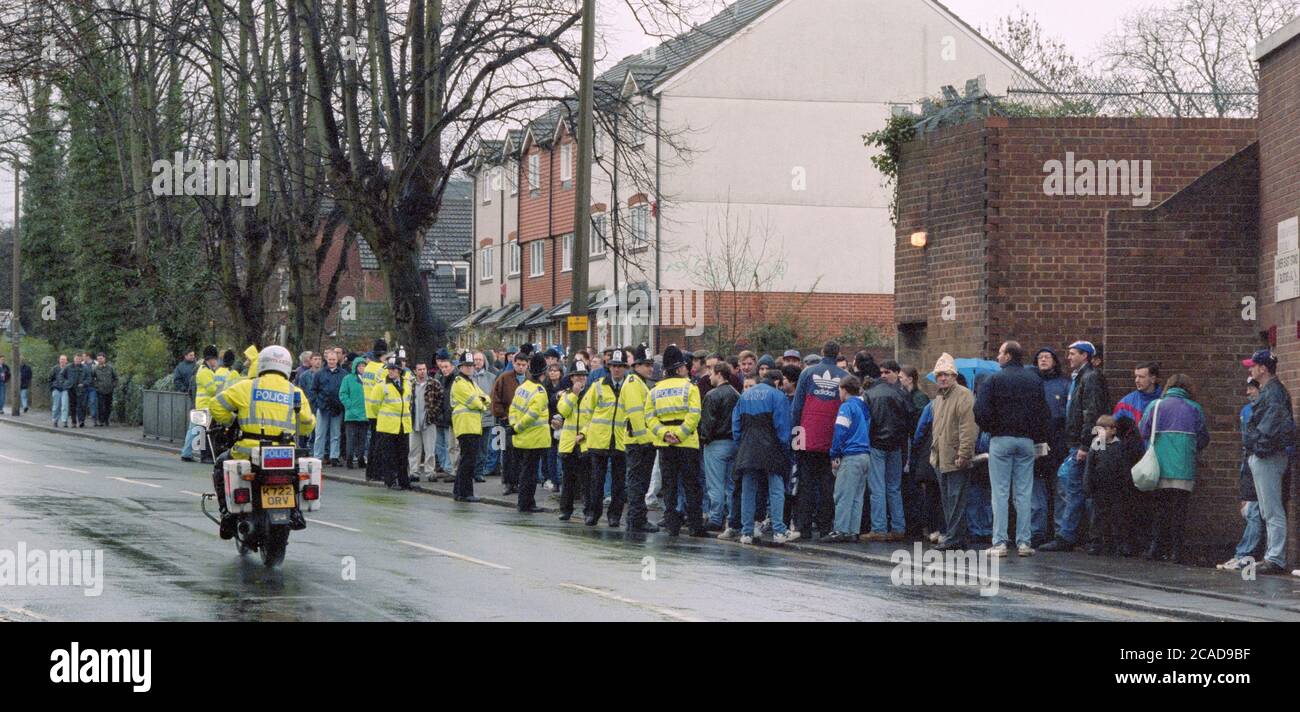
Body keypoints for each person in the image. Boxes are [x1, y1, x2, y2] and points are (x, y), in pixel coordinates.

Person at [209, 346, 316, 538]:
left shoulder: (246, 387)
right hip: (285, 454)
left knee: (220, 465)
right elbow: (307, 423)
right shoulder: (295, 392)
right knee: (295, 477)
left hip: (249, 450)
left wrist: (230, 421)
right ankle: (295, 511)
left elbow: (215, 405)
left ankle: (228, 516)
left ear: (262, 364)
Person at [974, 341, 1050, 558]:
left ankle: (1000, 542)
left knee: (1000, 492)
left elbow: (979, 410)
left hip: (1001, 440)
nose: (998, 357)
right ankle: (1024, 542)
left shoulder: (993, 379)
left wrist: (992, 428)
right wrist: (1035, 435)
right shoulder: (1034, 380)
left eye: (999, 353)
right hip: (1026, 441)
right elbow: (1043, 412)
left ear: (1007, 356)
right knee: (1024, 493)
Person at [1040, 341, 1110, 552]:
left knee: (1072, 486)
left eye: (1073, 354)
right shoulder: (1080, 378)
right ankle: (1085, 537)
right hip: (1079, 443)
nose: (1068, 357)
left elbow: (1091, 413)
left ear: (1085, 356)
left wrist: (1084, 445)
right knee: (1078, 488)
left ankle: (1069, 536)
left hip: (1082, 445)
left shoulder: (1089, 378)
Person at [1138, 374, 1209, 563]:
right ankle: (1177, 552)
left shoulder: (1155, 405)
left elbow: (1143, 430)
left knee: (1160, 510)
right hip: (1184, 468)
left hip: (1159, 466)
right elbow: (1203, 438)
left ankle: (1156, 548)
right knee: (1179, 511)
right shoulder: (1195, 408)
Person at [790, 341, 849, 541]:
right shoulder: (844, 377)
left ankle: (803, 527)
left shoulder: (807, 374)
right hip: (831, 440)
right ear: (838, 354)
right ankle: (825, 528)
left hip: (807, 438)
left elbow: (797, 407)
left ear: (822, 352)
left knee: (805, 485)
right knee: (827, 486)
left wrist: (795, 436)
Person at [1241, 350, 1294, 575]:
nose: (1250, 369)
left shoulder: (1273, 394)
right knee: (1267, 509)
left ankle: (1275, 558)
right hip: (1267, 455)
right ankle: (1272, 556)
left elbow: (1269, 427)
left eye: (1253, 366)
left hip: (1268, 457)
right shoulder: (1272, 391)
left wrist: (1255, 446)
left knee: (1271, 509)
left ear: (1263, 368)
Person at [727, 369, 794, 544]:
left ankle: (747, 532)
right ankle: (779, 531)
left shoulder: (745, 396)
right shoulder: (778, 397)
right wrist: (785, 451)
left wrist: (741, 445)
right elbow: (782, 428)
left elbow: (735, 426)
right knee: (776, 488)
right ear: (778, 382)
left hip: (747, 447)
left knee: (748, 489)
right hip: (772, 448)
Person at [646, 346, 706, 536]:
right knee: (692, 486)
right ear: (680, 368)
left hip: (665, 445)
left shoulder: (655, 390)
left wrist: (664, 434)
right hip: (687, 443)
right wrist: (680, 434)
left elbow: (649, 417)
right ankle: (695, 526)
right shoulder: (690, 388)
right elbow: (695, 414)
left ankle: (672, 525)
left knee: (669, 486)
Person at [1109, 361, 1162, 554]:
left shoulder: (1163, 402)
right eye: (1136, 376)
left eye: (1142, 376)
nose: (1137, 380)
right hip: (1132, 463)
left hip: (1156, 460)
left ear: (1153, 378)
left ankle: (1150, 544)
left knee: (1154, 505)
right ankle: (1133, 543)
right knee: (1133, 504)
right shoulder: (1127, 402)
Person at [930, 354, 977, 550]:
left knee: (956, 499)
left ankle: (954, 537)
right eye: (939, 375)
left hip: (956, 455)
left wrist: (964, 453)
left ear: (954, 375)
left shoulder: (964, 395)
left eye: (947, 374)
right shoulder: (938, 399)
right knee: (949, 500)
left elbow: (968, 426)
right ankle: (956, 536)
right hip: (941, 456)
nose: (942, 378)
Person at [863, 359, 913, 541]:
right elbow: (909, 421)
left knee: (877, 488)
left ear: (896, 372)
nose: (883, 375)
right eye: (882, 372)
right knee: (894, 488)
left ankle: (879, 528)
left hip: (876, 444)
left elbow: (866, 421)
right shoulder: (903, 394)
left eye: (887, 372)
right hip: (896, 446)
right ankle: (898, 528)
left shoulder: (870, 394)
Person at [1219, 378, 1266, 571]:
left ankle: (1245, 554)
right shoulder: (1246, 411)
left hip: (1258, 462)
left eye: (1252, 388)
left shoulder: (1262, 410)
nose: (1248, 393)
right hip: (1248, 464)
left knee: (1254, 512)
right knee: (1250, 511)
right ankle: (1247, 553)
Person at [580, 350, 629, 527]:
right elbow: (586, 410)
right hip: (599, 440)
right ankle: (593, 513)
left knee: (618, 482)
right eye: (614, 366)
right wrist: (585, 433)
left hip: (621, 440)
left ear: (625, 368)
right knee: (596, 481)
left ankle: (614, 515)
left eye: (620, 366)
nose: (616, 370)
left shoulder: (630, 387)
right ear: (609, 367)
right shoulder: (598, 385)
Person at [1083, 415, 1144, 556]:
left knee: (1117, 516)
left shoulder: (1119, 447)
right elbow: (1089, 468)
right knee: (1098, 517)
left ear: (1113, 431)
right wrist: (1087, 485)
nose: (1100, 432)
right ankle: (1096, 543)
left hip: (1116, 488)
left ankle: (1119, 544)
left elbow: (1123, 468)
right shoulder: (1095, 446)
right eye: (1098, 429)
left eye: (1104, 428)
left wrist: (1125, 484)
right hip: (1099, 487)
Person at [825, 375, 871, 543]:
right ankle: (853, 530)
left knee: (843, 494)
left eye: (839, 390)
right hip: (865, 455)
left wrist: (834, 453)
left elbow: (840, 430)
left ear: (844, 390)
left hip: (851, 455)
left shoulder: (846, 407)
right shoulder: (864, 406)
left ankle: (841, 529)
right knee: (857, 496)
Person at [1031, 347, 1071, 547]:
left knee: (1059, 488)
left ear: (1055, 361)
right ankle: (1037, 531)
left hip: (1058, 442)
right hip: (1036, 441)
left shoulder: (1064, 385)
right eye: (1039, 357)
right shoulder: (1032, 383)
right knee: (1036, 489)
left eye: (1047, 357)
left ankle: (1059, 531)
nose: (1043, 360)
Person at [622, 350, 660, 533]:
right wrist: (645, 440)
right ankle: (637, 519)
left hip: (641, 440)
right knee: (638, 482)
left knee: (640, 482)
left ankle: (636, 518)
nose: (650, 368)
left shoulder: (639, 383)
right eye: (647, 365)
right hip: (638, 441)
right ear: (636, 366)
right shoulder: (633, 383)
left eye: (651, 364)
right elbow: (636, 414)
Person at [700, 361, 740, 532]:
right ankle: (732, 518)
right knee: (731, 484)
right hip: (733, 443)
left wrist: (704, 439)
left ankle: (716, 517)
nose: (709, 376)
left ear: (719, 374)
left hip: (715, 443)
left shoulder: (712, 395)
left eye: (711, 372)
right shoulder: (736, 394)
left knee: (715, 484)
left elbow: (708, 423)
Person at [509, 353, 550, 513]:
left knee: (524, 472)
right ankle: (527, 503)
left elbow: (513, 408)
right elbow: (532, 416)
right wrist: (518, 427)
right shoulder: (540, 391)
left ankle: (524, 502)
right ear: (543, 372)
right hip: (535, 439)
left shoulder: (522, 387)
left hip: (520, 438)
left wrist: (514, 425)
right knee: (530, 474)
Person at [450, 351, 490, 502]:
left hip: (472, 426)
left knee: (466, 459)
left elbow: (487, 397)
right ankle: (466, 493)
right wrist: (482, 403)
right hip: (465, 425)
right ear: (460, 367)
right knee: (468, 460)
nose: (469, 368)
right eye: (466, 366)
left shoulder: (470, 382)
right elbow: (476, 402)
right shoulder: (460, 383)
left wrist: (482, 401)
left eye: (471, 366)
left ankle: (459, 491)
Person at [370, 357, 414, 489]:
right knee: (389, 456)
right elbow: (374, 405)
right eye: (390, 369)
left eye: (394, 369)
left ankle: (404, 481)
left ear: (400, 370)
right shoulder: (381, 385)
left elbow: (408, 402)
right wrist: (385, 417)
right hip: (387, 426)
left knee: (403, 455)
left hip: (403, 425)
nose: (391, 371)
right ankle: (391, 481)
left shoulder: (407, 383)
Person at [555, 361, 590, 520]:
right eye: (577, 376)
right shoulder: (566, 395)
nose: (580, 379)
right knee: (568, 480)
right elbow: (563, 411)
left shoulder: (592, 394)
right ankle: (565, 510)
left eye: (583, 376)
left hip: (585, 443)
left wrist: (583, 433)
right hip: (569, 444)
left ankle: (588, 511)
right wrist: (574, 395)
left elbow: (596, 417)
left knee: (587, 481)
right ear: (571, 378)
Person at [492, 351, 529, 495]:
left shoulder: (530, 379)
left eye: (523, 365)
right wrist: (502, 415)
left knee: (521, 453)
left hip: (524, 422)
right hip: (506, 422)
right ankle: (508, 482)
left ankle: (519, 481)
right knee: (507, 453)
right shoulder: (504, 378)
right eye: (518, 364)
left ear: (527, 365)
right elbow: (495, 398)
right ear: (513, 364)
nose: (520, 367)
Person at [181, 347, 222, 462]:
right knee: (202, 431)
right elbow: (212, 389)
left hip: (201, 405)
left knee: (195, 430)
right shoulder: (205, 372)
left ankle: (187, 453)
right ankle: (203, 456)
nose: (217, 362)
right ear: (211, 359)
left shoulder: (204, 370)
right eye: (215, 359)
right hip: (204, 405)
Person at [408, 362, 444, 482]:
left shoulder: (434, 383)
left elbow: (441, 399)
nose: (422, 371)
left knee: (430, 449)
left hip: (428, 421)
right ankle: (414, 472)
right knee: (414, 449)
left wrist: (434, 413)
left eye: (424, 369)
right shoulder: (410, 384)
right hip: (413, 421)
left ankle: (430, 472)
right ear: (415, 371)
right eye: (419, 369)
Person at [310, 350, 345, 465]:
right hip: (323, 407)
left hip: (337, 408)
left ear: (337, 360)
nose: (331, 362)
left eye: (334, 359)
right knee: (320, 433)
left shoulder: (343, 374)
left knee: (335, 434)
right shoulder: (319, 374)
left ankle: (334, 456)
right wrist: (317, 404)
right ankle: (318, 457)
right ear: (327, 359)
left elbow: (345, 391)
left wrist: (341, 404)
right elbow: (313, 390)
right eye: (330, 359)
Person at [339, 357, 371, 469]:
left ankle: (361, 459)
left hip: (365, 414)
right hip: (351, 415)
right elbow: (343, 394)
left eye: (364, 366)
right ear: (355, 367)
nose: (362, 368)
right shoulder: (348, 378)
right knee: (351, 440)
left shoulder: (368, 380)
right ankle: (349, 460)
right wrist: (349, 406)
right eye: (360, 366)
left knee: (363, 440)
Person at [471, 351, 497, 483]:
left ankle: (479, 472)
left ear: (484, 361)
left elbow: (493, 397)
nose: (477, 362)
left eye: (480, 360)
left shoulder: (491, 377)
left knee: (483, 448)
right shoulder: (467, 377)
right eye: (475, 359)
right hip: (471, 418)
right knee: (471, 448)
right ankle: (470, 471)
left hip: (486, 417)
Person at [433, 350, 457, 480]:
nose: (444, 369)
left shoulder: (456, 379)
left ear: (452, 367)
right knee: (439, 444)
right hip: (439, 416)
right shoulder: (438, 378)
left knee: (450, 445)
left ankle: (449, 468)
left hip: (450, 417)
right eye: (442, 367)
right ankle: (443, 466)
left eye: (446, 366)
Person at [91, 353, 118, 426]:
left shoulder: (110, 368)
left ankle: (106, 419)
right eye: (98, 359)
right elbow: (92, 378)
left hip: (109, 390)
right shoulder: (95, 368)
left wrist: (113, 385)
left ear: (104, 359)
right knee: (100, 406)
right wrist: (96, 385)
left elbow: (115, 378)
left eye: (101, 358)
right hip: (100, 390)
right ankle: (101, 420)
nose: (99, 360)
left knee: (108, 406)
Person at [49, 355, 73, 427]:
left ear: (66, 361)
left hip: (65, 389)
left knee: (64, 406)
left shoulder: (69, 369)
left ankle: (64, 421)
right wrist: (53, 387)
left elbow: (71, 379)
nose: (62, 361)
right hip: (56, 389)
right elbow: (50, 378)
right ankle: (55, 420)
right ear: (59, 360)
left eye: (64, 359)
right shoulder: (55, 368)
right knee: (56, 406)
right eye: (61, 359)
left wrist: (68, 386)